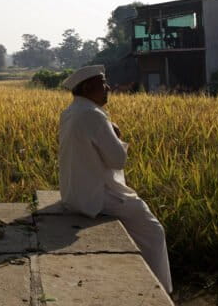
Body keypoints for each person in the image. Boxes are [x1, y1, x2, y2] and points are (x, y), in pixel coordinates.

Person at [58, 64, 173, 293]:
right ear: (89, 86)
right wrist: (117, 135)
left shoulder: (70, 112)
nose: (108, 87)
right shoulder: (93, 115)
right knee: (153, 231)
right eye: (103, 83)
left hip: (74, 193)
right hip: (97, 196)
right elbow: (118, 160)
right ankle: (160, 290)